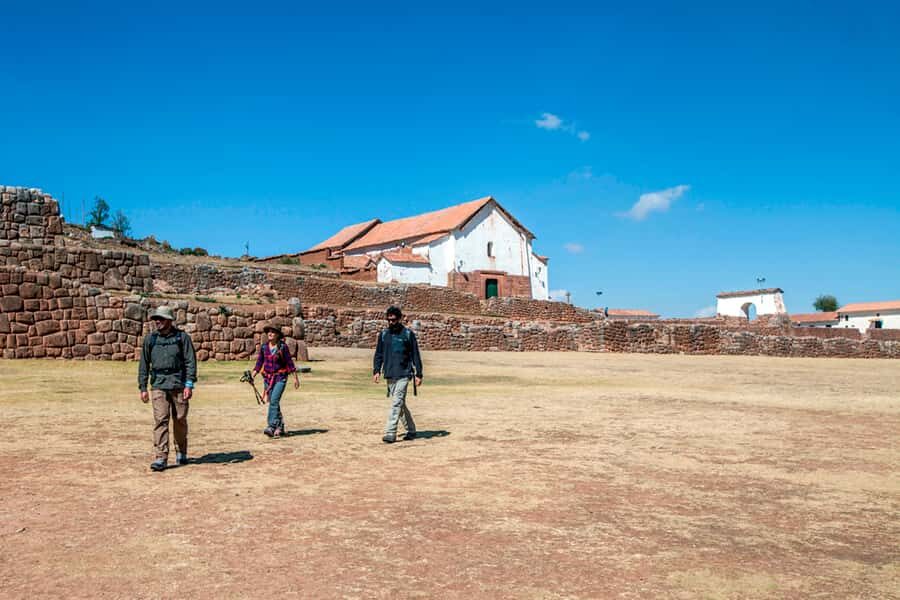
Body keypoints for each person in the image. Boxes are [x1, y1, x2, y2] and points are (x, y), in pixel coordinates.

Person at [138, 306, 197, 472]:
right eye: (156, 319)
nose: (158, 322)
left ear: (170, 321)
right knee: (161, 420)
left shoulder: (182, 338)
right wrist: (142, 386)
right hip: (158, 384)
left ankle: (181, 452)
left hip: (178, 384)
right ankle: (161, 457)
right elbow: (144, 364)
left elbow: (190, 362)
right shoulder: (150, 339)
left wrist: (189, 384)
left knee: (179, 419)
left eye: (161, 319)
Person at [373, 306, 423, 443]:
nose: (390, 323)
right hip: (389, 374)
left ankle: (390, 432)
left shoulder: (408, 334)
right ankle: (411, 430)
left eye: (393, 320)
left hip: (404, 374)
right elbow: (378, 354)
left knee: (396, 403)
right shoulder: (384, 335)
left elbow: (415, 355)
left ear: (399, 319)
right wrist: (376, 370)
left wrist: (419, 374)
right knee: (400, 405)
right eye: (388, 320)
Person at [252, 324, 300, 438]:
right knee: (274, 403)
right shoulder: (264, 347)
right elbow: (259, 364)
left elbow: (290, 363)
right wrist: (252, 375)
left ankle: (271, 426)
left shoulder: (283, 347)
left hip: (280, 378)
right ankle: (280, 426)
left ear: (278, 335)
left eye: (273, 332)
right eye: (268, 331)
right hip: (268, 379)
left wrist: (295, 378)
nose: (270, 333)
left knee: (273, 401)